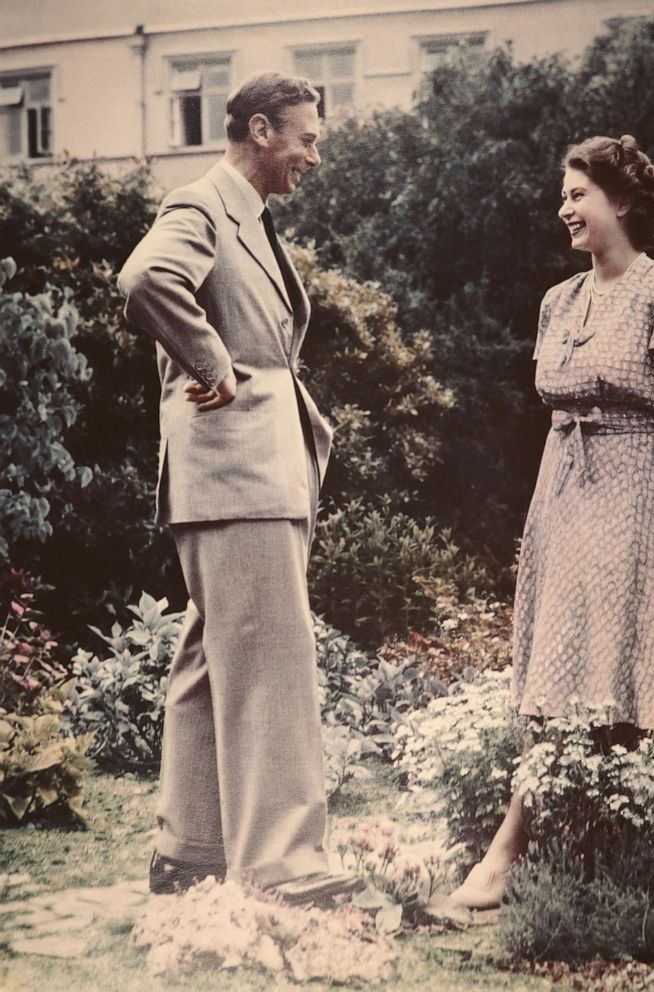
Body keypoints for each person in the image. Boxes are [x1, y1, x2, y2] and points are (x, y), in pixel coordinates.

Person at [450, 134, 654, 910]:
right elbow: (558, 404)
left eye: (576, 194)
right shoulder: (557, 301)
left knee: (612, 666)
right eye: (562, 196)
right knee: (554, 667)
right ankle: (560, 841)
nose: (562, 208)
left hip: (634, 484)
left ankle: (539, 847)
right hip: (560, 482)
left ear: (621, 201)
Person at [118, 72, 361, 903]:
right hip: (238, 471)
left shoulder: (247, 217)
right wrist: (214, 363)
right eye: (306, 138)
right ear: (259, 130)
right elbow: (145, 281)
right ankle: (283, 867)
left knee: (210, 658)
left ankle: (190, 852)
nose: (313, 155)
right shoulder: (202, 204)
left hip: (243, 474)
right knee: (270, 664)